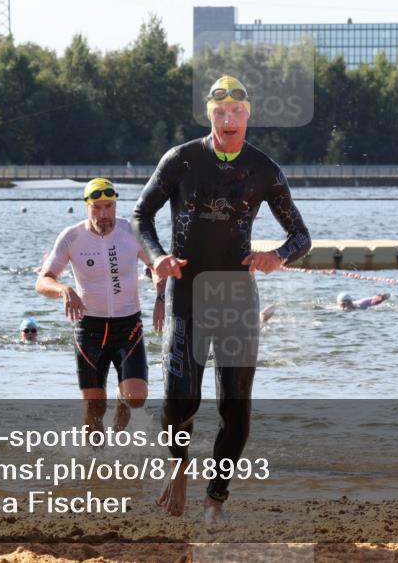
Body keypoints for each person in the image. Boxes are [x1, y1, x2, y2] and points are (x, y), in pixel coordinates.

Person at [132, 74, 311, 524]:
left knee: (235, 406)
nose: (228, 120)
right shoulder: (181, 161)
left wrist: (278, 257)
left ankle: (216, 497)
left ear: (248, 117)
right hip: (187, 296)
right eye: (219, 113)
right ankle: (178, 468)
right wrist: (156, 258)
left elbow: (301, 235)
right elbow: (140, 214)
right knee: (179, 402)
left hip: (236, 301)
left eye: (236, 113)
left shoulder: (264, 170)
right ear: (209, 116)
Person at [36, 177, 165, 434]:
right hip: (89, 329)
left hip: (128, 326)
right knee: (94, 408)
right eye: (97, 208)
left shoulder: (132, 232)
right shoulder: (72, 237)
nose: (103, 214)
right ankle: (94, 466)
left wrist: (161, 297)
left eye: (108, 207)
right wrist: (64, 290)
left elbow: (158, 267)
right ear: (87, 207)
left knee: (135, 396)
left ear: (116, 206)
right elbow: (43, 281)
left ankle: (122, 397)